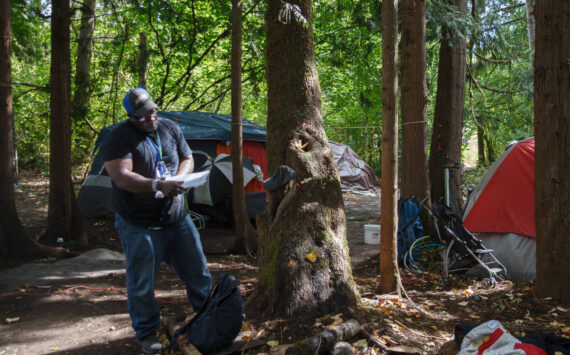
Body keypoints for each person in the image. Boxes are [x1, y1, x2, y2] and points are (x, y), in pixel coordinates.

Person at [102, 88, 212, 354]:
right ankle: (146, 332)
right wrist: (156, 184)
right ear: (130, 117)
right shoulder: (118, 137)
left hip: (176, 218)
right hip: (140, 224)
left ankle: (208, 318)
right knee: (142, 283)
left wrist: (179, 180)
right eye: (142, 116)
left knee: (198, 272)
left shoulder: (168, 128)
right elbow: (122, 177)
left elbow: (187, 158)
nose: (150, 119)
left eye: (152, 112)